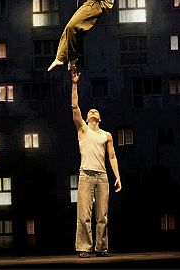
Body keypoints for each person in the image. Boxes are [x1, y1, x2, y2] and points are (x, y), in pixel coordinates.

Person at [70, 66, 121, 258]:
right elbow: (75, 107)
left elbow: (112, 157)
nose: (92, 111)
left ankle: (101, 248)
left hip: (102, 177)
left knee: (102, 216)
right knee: (84, 216)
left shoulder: (106, 135)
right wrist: (74, 85)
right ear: (87, 117)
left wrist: (118, 177)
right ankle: (84, 247)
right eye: (90, 110)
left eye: (95, 110)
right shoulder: (83, 130)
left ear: (99, 117)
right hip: (85, 175)